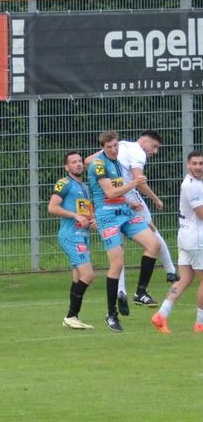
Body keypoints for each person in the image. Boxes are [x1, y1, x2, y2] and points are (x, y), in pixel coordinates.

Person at [87, 130, 161, 332]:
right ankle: (111, 314)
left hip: (124, 211)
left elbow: (117, 191)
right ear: (103, 147)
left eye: (115, 146)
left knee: (154, 244)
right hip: (107, 216)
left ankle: (140, 292)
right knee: (117, 263)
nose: (113, 150)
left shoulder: (117, 163)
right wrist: (134, 184)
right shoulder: (99, 164)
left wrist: (130, 202)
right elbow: (110, 193)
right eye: (109, 147)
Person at [113, 130, 177, 307]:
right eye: (154, 146)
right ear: (144, 141)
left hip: (111, 199)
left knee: (116, 246)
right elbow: (138, 181)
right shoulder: (138, 151)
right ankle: (170, 272)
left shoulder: (121, 145)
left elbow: (89, 161)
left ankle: (121, 292)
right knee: (151, 232)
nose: (155, 151)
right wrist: (155, 198)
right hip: (128, 197)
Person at [151, 151, 203, 335]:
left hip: (186, 237)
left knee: (185, 280)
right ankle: (200, 324)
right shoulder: (191, 186)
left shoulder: (197, 184)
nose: (198, 167)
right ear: (188, 165)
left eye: (201, 164)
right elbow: (201, 213)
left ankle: (161, 315)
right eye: (195, 163)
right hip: (196, 239)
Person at [47, 152, 95, 330]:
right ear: (66, 167)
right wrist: (74, 215)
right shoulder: (64, 183)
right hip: (71, 236)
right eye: (73, 162)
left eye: (80, 161)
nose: (78, 164)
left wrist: (93, 221)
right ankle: (70, 316)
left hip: (82, 235)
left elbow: (85, 214)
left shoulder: (85, 187)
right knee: (88, 275)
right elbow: (52, 207)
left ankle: (73, 316)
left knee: (78, 277)